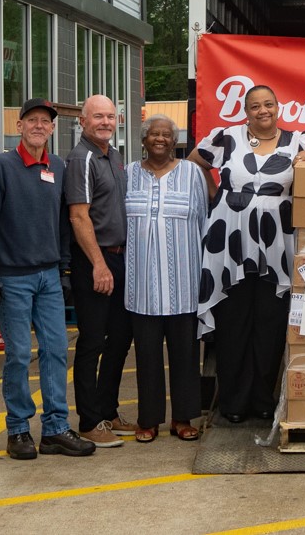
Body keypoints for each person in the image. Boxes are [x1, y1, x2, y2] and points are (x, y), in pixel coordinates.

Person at [193, 84, 305, 423]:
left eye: (268, 104)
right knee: (233, 324)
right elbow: (194, 163)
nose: (262, 111)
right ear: (245, 111)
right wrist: (217, 195)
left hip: (277, 245)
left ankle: (263, 400)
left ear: (278, 107)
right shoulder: (227, 137)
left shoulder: (296, 140)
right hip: (230, 246)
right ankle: (233, 403)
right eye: (254, 106)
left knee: (270, 324)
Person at [0, 98, 95, 459]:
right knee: (16, 355)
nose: (39, 126)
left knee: (56, 351)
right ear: (19, 125)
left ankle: (56, 428)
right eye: (32, 120)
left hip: (48, 277)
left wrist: (65, 269)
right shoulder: (0, 166)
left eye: (45, 121)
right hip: (11, 278)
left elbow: (62, 224)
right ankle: (18, 431)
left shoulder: (57, 166)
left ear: (52, 129)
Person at [123, 114, 205, 441]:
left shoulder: (191, 174)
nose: (160, 139)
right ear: (143, 140)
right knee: (146, 356)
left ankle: (182, 419)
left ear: (174, 142)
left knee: (185, 356)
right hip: (141, 285)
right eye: (153, 134)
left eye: (166, 135)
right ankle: (149, 420)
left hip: (183, 283)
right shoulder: (128, 174)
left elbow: (204, 222)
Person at [66, 94, 136, 448]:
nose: (105, 122)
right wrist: (98, 264)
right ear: (83, 121)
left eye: (110, 116)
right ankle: (89, 420)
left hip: (121, 260)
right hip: (96, 261)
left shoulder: (115, 156)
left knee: (121, 339)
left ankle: (107, 411)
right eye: (98, 117)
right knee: (92, 341)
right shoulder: (82, 158)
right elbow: (79, 216)